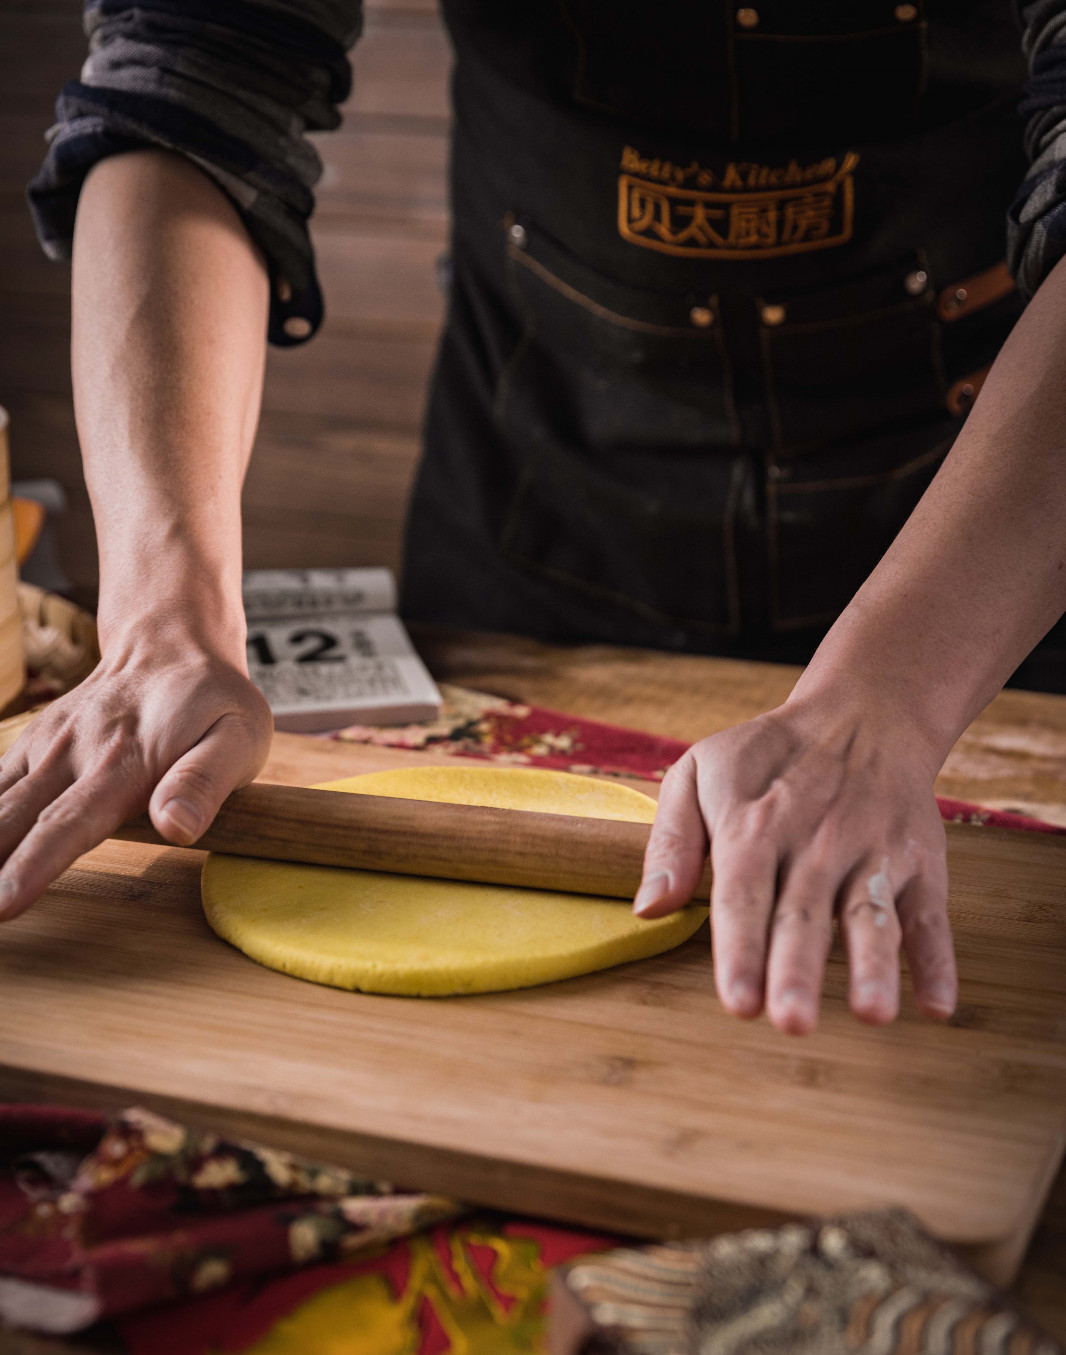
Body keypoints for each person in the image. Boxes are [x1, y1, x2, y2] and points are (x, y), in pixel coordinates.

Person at [1, 2, 1064, 1037]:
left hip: (990, 555)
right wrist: (162, 620)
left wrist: (889, 698)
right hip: (534, 519)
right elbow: (190, 74)